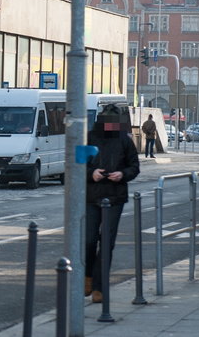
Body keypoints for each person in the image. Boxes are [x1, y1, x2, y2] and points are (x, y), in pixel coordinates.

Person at [85, 105, 140, 303]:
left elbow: (134, 166)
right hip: (91, 196)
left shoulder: (125, 140)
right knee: (89, 240)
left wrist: (122, 174)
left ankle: (99, 286)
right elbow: (77, 165)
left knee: (107, 243)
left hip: (115, 197)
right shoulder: (88, 138)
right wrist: (91, 173)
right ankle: (88, 276)